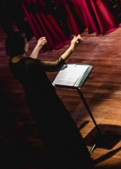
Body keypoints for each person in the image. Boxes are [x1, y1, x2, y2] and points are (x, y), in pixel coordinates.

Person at [6, 32, 92, 169]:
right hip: (46, 100)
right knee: (63, 127)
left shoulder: (13, 62)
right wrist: (72, 47)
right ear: (21, 46)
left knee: (49, 130)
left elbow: (28, 62)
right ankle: (77, 158)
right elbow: (56, 65)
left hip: (34, 101)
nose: (27, 43)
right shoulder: (29, 64)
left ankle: (61, 158)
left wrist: (38, 47)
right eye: (25, 42)